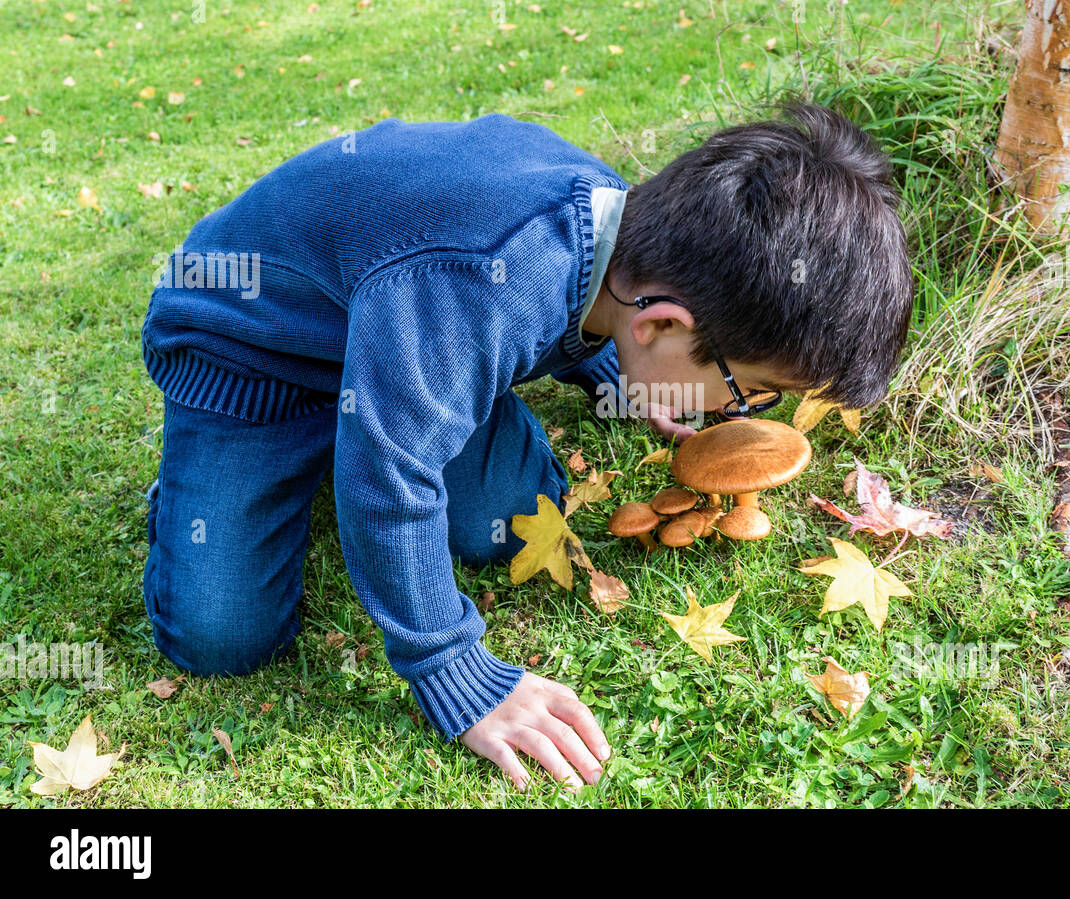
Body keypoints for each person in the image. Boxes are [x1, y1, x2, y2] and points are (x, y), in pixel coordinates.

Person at [139, 99, 913, 793]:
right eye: (748, 391)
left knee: (501, 527)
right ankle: (206, 494)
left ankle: (412, 395)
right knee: (222, 636)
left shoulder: (623, 241)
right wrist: (454, 669)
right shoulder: (483, 280)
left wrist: (635, 380)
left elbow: (583, 322)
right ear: (665, 326)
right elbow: (390, 473)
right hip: (250, 357)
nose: (739, 410)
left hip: (409, 336)